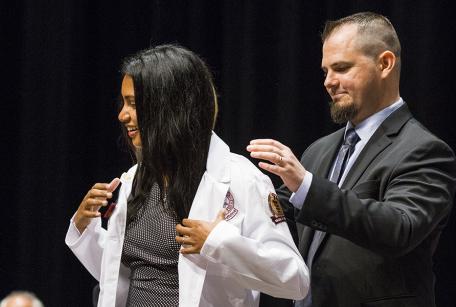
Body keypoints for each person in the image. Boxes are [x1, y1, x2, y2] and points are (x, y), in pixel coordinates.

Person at [65, 45, 309, 307]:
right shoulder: (133, 180)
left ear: (169, 107)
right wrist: (84, 229)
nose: (122, 115)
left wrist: (220, 242)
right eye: (123, 103)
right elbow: (122, 275)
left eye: (134, 104)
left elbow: (295, 281)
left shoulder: (241, 179)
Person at [247, 12, 456, 307]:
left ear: (384, 64)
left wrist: (306, 185)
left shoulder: (425, 151)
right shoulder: (319, 150)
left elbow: (398, 228)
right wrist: (234, 194)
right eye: (325, 71)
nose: (329, 82)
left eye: (342, 68)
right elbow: (279, 219)